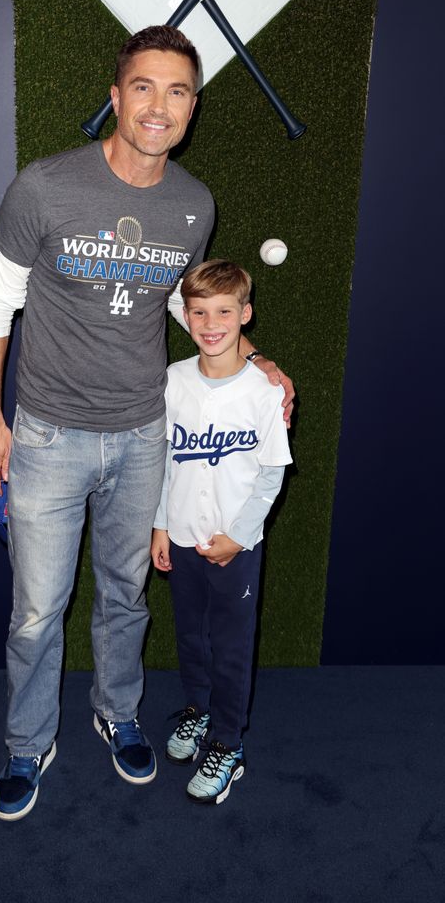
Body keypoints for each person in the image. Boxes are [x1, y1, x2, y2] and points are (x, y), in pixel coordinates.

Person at [0, 25, 293, 821]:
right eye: (143, 87)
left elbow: (194, 310)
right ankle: (27, 742)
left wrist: (257, 359)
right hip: (47, 434)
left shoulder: (194, 205)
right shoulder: (45, 186)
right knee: (38, 609)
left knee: (126, 594)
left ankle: (116, 713)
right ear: (116, 97)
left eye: (177, 91)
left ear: (193, 107)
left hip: (145, 434)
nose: (159, 106)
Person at [150, 258, 292, 805]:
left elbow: (272, 473)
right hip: (183, 537)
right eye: (199, 312)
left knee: (231, 647)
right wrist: (161, 525)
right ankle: (199, 710)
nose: (211, 324)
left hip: (237, 546)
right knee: (191, 637)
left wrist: (239, 535)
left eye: (224, 312)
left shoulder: (264, 390)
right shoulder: (174, 380)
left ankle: (228, 743)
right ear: (185, 316)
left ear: (245, 314)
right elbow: (165, 463)